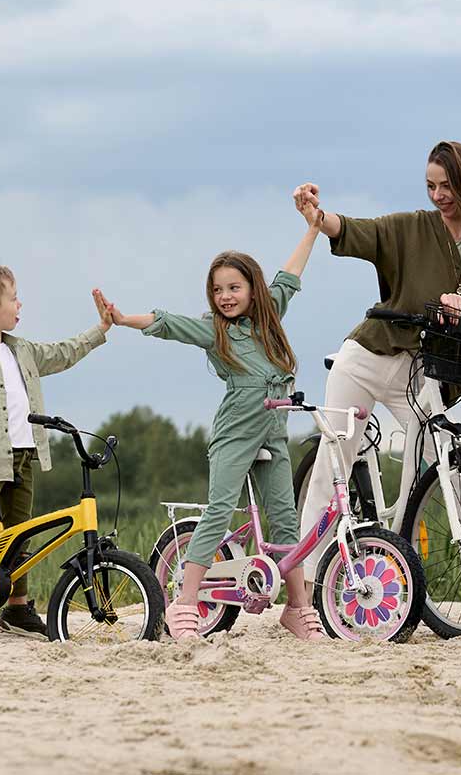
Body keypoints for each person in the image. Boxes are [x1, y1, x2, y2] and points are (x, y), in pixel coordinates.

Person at [292, 140, 461, 625]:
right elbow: (356, 232)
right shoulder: (413, 226)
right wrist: (316, 213)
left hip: (422, 369)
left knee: (458, 473)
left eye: (447, 186)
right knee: (334, 466)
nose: (439, 196)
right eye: (431, 186)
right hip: (367, 356)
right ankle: (301, 601)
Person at [93, 222, 325, 641]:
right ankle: (185, 602)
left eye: (234, 287)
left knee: (286, 519)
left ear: (252, 288)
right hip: (235, 431)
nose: (226, 297)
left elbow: (290, 276)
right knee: (219, 510)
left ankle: (297, 608)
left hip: (273, 430)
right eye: (218, 290)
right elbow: (169, 324)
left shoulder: (270, 315)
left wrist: (312, 229)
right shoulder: (215, 331)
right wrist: (124, 319)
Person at [0, 264, 112, 638]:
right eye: (14, 298)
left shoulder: (22, 351)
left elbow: (64, 352)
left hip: (24, 455)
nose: (20, 304)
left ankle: (17, 608)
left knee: (20, 533)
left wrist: (100, 331)